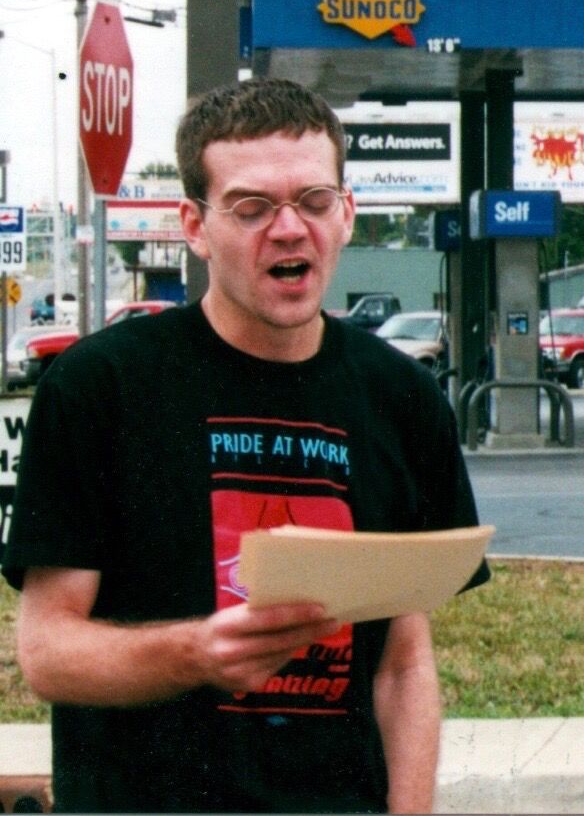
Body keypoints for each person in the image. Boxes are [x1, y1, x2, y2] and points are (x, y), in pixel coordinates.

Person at [2, 77, 488, 813]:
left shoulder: (404, 398)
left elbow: (402, 660)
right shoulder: (99, 388)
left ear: (347, 212)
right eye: (252, 207)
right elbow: (47, 652)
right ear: (193, 226)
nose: (290, 229)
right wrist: (196, 652)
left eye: (313, 201)